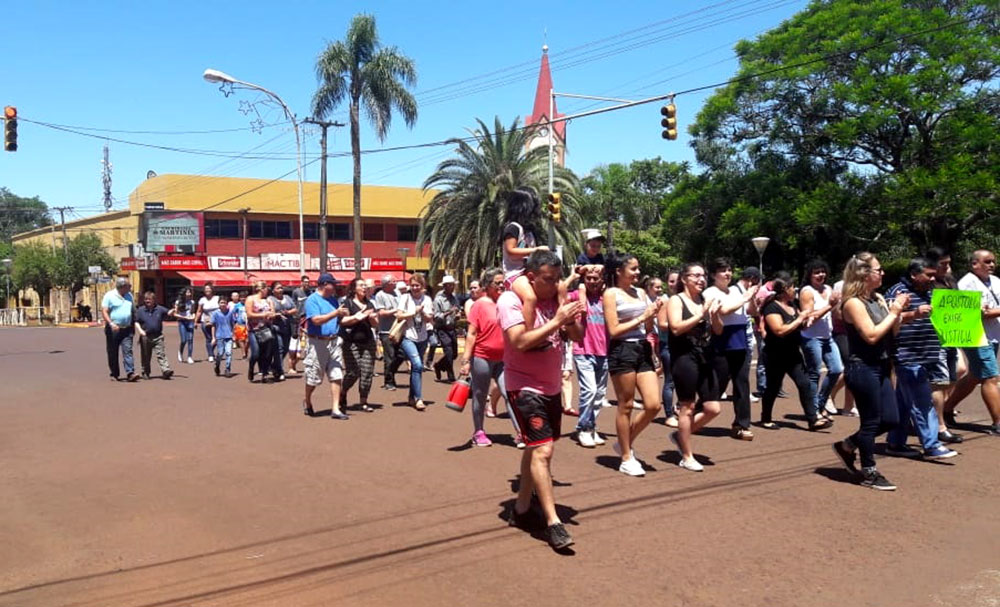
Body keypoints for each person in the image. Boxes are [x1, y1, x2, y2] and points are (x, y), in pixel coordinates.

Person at [499, 250, 584, 550]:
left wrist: (565, 313)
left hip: (551, 387)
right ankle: (553, 522)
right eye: (548, 279)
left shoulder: (558, 299)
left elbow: (578, 336)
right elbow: (520, 342)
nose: (554, 284)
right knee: (543, 450)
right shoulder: (510, 300)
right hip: (523, 386)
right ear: (531, 277)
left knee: (536, 447)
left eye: (558, 279)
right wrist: (556, 321)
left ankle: (522, 509)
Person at [832, 252, 909, 491]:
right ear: (864, 274)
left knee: (891, 419)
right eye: (878, 270)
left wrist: (900, 314)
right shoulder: (853, 303)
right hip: (862, 367)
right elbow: (872, 335)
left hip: (882, 364)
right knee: (871, 422)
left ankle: (847, 445)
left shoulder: (878, 298)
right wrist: (894, 312)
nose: (883, 273)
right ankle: (869, 472)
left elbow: (891, 331)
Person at [883, 258, 958, 459]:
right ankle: (932, 445)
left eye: (934, 275)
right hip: (907, 354)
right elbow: (887, 320)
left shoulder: (933, 293)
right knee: (922, 401)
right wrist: (914, 313)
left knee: (904, 403)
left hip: (928, 354)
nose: (933, 279)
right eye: (929, 275)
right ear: (914, 275)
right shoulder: (897, 292)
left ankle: (895, 443)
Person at [602, 253, 662, 476]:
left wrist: (652, 315)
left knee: (653, 405)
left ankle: (624, 442)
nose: (638, 272)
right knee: (625, 405)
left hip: (642, 348)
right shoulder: (611, 294)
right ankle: (626, 457)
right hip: (622, 350)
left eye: (638, 268)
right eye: (633, 269)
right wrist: (642, 317)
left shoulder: (641, 293)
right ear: (619, 271)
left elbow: (648, 328)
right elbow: (614, 330)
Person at [666, 262, 723, 472]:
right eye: (696, 275)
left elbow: (718, 330)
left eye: (703, 275)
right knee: (687, 407)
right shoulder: (676, 300)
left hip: (704, 357)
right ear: (684, 279)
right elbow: (675, 328)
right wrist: (700, 314)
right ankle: (687, 456)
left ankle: (680, 435)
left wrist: (714, 315)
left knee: (713, 408)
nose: (701, 279)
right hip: (684, 358)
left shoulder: (704, 300)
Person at [758, 272, 834, 432]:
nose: (795, 290)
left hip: (792, 353)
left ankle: (813, 420)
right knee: (773, 387)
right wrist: (800, 319)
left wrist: (806, 321)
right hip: (775, 354)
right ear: (785, 289)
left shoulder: (793, 305)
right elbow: (779, 330)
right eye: (793, 287)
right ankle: (766, 418)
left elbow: (799, 325)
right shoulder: (772, 307)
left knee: (804, 384)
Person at [460, 267, 523, 447]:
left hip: (503, 359)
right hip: (482, 358)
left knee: (510, 394)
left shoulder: (507, 302)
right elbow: (472, 333)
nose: (501, 286)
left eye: (503, 282)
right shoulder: (479, 305)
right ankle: (478, 432)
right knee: (480, 395)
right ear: (487, 285)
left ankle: (521, 432)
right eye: (497, 283)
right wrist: (466, 360)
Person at [703, 258, 758, 441]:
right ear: (713, 275)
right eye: (723, 270)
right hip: (722, 340)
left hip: (740, 340)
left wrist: (752, 298)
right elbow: (724, 310)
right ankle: (696, 413)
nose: (727, 273)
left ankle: (741, 425)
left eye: (729, 270)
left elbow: (751, 311)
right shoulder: (710, 292)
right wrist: (745, 297)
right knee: (717, 384)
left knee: (742, 383)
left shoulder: (735, 290)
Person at [945, 249, 1000, 434]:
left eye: (993, 261)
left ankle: (946, 409)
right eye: (987, 261)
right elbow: (973, 314)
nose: (992, 265)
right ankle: (998, 422)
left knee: (975, 375)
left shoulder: (996, 281)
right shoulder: (966, 284)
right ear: (975, 264)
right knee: (990, 377)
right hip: (976, 336)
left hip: (993, 335)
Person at [924, 247, 964, 443]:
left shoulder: (950, 281)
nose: (947, 267)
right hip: (934, 338)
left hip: (951, 335)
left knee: (958, 371)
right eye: (943, 264)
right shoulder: (927, 283)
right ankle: (940, 426)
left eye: (949, 263)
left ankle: (936, 412)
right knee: (939, 380)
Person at [570, 265, 609, 447]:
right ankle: (583, 428)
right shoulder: (577, 296)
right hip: (583, 350)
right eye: (588, 279)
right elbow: (559, 292)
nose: (592, 281)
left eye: (596, 278)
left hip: (604, 352)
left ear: (602, 281)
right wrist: (574, 276)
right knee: (590, 390)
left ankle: (591, 426)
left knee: (599, 395)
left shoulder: (607, 299)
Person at [799, 260, 844, 420]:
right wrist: (829, 306)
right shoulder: (807, 292)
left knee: (837, 369)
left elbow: (835, 312)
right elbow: (808, 318)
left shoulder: (829, 289)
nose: (821, 275)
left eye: (823, 271)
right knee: (814, 373)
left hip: (828, 337)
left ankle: (820, 402)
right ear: (810, 275)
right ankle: (813, 411)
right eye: (816, 272)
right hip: (812, 338)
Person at [302, 273, 349, 419]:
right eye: (333, 284)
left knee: (337, 375)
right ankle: (307, 400)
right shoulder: (312, 300)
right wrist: (335, 313)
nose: (335, 287)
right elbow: (315, 320)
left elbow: (339, 320)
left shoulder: (333, 300)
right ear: (324, 284)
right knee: (314, 377)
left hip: (333, 341)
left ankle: (335, 409)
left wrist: (353, 317)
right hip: (317, 342)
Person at [339, 277, 378, 412]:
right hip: (351, 343)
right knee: (353, 372)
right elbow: (342, 321)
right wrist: (358, 317)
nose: (364, 288)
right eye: (361, 285)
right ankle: (343, 392)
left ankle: (363, 401)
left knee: (367, 372)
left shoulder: (370, 304)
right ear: (354, 288)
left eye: (365, 286)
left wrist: (372, 319)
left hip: (368, 342)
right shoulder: (347, 303)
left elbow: (375, 324)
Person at [396, 273, 434, 411]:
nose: (415, 288)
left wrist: (423, 313)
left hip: (422, 337)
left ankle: (411, 397)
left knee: (416, 369)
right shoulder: (405, 298)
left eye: (417, 285)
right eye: (412, 285)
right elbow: (399, 315)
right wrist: (413, 312)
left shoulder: (427, 299)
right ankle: (418, 398)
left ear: (422, 286)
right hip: (408, 337)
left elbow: (430, 318)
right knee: (417, 365)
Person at [102, 277, 138, 382]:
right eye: (128, 286)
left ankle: (130, 372)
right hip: (113, 329)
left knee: (128, 351)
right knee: (113, 352)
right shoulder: (109, 296)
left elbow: (133, 311)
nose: (130, 287)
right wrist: (111, 323)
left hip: (127, 329)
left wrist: (134, 325)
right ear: (122, 287)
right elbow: (104, 311)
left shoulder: (129, 296)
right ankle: (114, 373)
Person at [657, 268, 681, 427]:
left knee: (683, 379)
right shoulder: (664, 300)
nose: (674, 284)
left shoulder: (682, 299)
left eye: (677, 280)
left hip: (682, 345)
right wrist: (679, 325)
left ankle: (678, 407)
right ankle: (668, 414)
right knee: (670, 380)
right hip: (667, 345)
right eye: (671, 281)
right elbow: (661, 324)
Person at [134, 290, 174, 380]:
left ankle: (166, 370)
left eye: (149, 299)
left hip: (158, 336)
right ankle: (145, 372)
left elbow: (168, 312)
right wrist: (140, 331)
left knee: (161, 354)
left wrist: (173, 310)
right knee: (146, 356)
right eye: (146, 299)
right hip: (146, 336)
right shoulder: (140, 310)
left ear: (154, 300)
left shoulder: (159, 309)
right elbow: (136, 321)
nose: (147, 301)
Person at [246, 281, 278, 383]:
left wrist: (272, 315)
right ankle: (251, 367)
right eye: (266, 289)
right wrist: (263, 315)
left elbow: (273, 313)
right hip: (254, 329)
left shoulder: (268, 300)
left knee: (267, 353)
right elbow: (249, 314)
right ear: (261, 289)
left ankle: (264, 374)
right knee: (256, 352)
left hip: (267, 329)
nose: (267, 291)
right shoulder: (250, 299)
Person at [374, 275, 401, 390]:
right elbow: (381, 312)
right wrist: (395, 311)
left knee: (401, 354)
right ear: (387, 284)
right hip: (386, 331)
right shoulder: (380, 295)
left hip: (398, 329)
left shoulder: (397, 293)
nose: (396, 282)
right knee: (389, 356)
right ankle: (389, 381)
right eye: (393, 281)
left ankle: (391, 373)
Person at [432, 275, 461, 383]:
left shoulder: (454, 298)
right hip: (442, 329)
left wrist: (457, 315)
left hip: (452, 328)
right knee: (448, 352)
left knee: (454, 354)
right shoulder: (438, 300)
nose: (451, 287)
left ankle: (439, 365)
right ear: (444, 286)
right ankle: (451, 376)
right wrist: (448, 312)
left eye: (452, 285)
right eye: (449, 285)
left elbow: (457, 310)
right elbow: (436, 316)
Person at [269, 282, 298, 377]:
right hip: (276, 327)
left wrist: (288, 312)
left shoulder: (287, 298)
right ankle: (280, 371)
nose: (280, 290)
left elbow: (295, 309)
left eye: (281, 288)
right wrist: (276, 314)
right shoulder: (270, 299)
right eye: (278, 288)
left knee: (285, 349)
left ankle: (274, 365)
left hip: (288, 327)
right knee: (280, 348)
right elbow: (270, 312)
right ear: (273, 290)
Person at [210, 296, 237, 377]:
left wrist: (234, 334)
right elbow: (213, 325)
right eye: (221, 303)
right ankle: (217, 365)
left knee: (229, 353)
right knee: (220, 353)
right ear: (218, 304)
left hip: (229, 336)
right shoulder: (215, 313)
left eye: (224, 303)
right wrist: (213, 337)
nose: (223, 304)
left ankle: (227, 369)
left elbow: (233, 324)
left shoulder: (230, 312)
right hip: (219, 336)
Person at [195, 284, 220, 363]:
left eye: (209, 288)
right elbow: (199, 311)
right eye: (206, 289)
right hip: (205, 321)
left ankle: (211, 350)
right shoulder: (202, 300)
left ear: (212, 289)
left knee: (217, 338)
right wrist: (195, 321)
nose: (207, 290)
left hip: (217, 321)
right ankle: (210, 355)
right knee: (208, 338)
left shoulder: (217, 298)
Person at [173, 287, 196, 364]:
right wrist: (184, 317)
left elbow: (192, 311)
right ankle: (180, 352)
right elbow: (175, 314)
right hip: (182, 321)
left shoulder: (192, 302)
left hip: (190, 321)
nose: (189, 294)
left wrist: (193, 316)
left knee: (190, 339)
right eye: (187, 292)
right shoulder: (178, 302)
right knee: (183, 340)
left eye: (190, 292)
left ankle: (189, 356)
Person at [231, 291, 249, 360]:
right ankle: (243, 353)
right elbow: (233, 313)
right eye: (241, 297)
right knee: (241, 340)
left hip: (248, 324)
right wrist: (235, 321)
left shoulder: (249, 304)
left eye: (244, 297)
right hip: (240, 324)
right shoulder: (237, 305)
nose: (243, 299)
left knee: (247, 340)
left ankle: (246, 350)